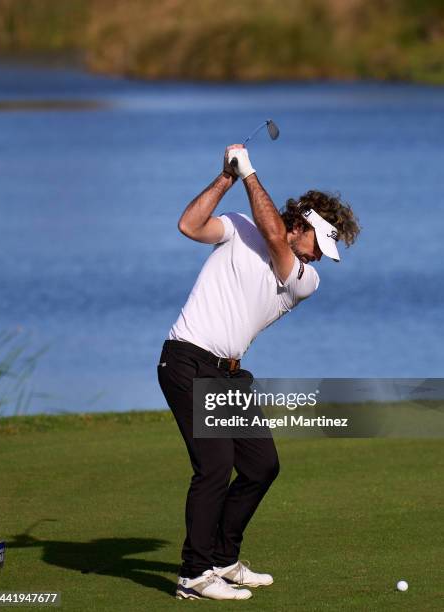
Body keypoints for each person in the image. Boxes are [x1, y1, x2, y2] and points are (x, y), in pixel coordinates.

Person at [158, 144, 360, 601]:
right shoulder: (239, 228)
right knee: (214, 467)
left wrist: (250, 172)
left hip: (229, 374)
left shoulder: (304, 280)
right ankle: (193, 575)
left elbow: (273, 237)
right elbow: (189, 225)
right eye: (319, 245)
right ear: (302, 225)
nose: (318, 258)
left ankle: (223, 559)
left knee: (261, 466)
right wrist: (226, 179)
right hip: (186, 360)